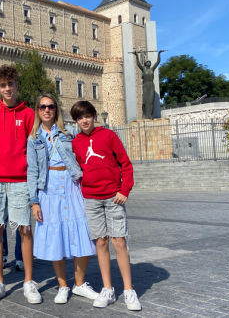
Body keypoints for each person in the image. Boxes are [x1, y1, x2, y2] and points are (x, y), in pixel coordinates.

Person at [27, 94, 98, 304]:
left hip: (70, 184)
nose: (47, 110)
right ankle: (62, 285)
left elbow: (84, 155)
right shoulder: (33, 139)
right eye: (42, 106)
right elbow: (31, 171)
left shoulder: (69, 133)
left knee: (81, 232)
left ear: (56, 109)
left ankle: (79, 283)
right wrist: (34, 201)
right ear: (38, 110)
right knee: (55, 237)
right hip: (48, 188)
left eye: (51, 106)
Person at [70, 101, 142, 310]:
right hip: (91, 199)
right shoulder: (76, 142)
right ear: (76, 121)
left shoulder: (109, 136)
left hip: (113, 197)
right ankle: (108, 288)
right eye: (79, 118)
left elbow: (125, 164)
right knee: (100, 243)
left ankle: (129, 290)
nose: (84, 121)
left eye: (87, 116)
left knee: (119, 241)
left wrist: (124, 190)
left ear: (94, 116)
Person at [0, 65, 41, 305]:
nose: (7, 89)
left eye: (10, 84)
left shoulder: (28, 114)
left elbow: (33, 146)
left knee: (24, 229)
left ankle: (28, 281)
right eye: (3, 85)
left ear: (17, 86)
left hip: (20, 180)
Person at [131, 50, 165, 119]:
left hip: (151, 86)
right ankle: (145, 115)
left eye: (149, 62)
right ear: (145, 63)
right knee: (145, 101)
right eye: (147, 62)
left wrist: (159, 53)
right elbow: (139, 64)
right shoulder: (143, 69)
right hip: (145, 86)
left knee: (151, 101)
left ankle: (150, 115)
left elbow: (157, 62)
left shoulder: (152, 69)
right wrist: (136, 56)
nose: (149, 63)